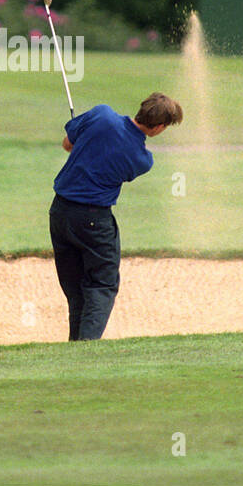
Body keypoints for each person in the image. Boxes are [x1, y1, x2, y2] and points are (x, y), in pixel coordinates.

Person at [48, 91, 183, 341]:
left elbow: (68, 144)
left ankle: (75, 349)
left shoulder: (101, 114)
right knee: (101, 286)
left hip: (59, 213)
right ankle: (86, 352)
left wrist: (85, 139)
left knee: (76, 290)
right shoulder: (142, 159)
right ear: (160, 127)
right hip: (93, 221)